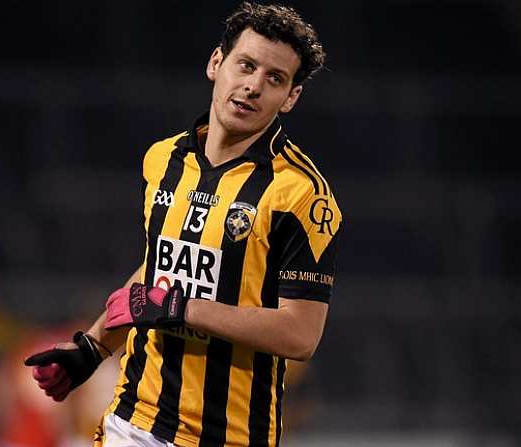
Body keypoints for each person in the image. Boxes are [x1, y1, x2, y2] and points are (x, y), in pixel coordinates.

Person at [25, 3, 341, 446]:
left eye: (275, 79)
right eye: (246, 65)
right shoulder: (163, 159)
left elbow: (301, 334)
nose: (253, 86)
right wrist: (94, 347)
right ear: (217, 63)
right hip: (132, 420)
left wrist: (184, 308)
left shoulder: (302, 193)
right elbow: (157, 269)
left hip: (228, 436)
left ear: (290, 97)